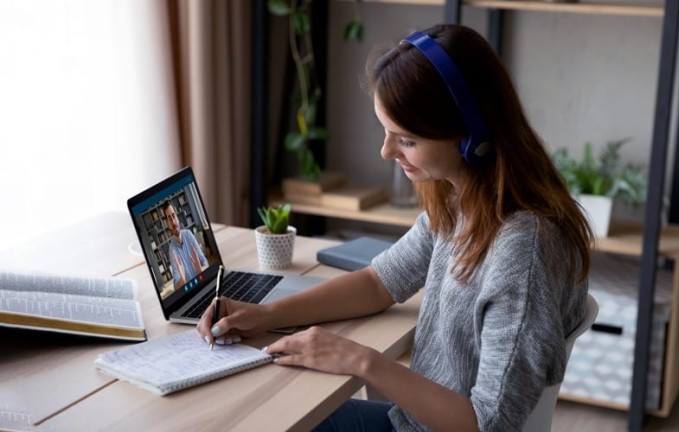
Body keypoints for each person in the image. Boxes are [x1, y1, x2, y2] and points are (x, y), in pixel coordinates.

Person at [197, 23, 592, 431]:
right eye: (387, 132)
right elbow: (379, 282)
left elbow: (487, 424)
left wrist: (361, 360)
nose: (386, 151)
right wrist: (265, 314)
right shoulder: (462, 200)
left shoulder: (522, 250)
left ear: (470, 133)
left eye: (405, 140)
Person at [163, 200, 208, 290]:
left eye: (173, 216)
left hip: (203, 283)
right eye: (169, 218)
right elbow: (176, 286)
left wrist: (200, 271)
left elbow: (205, 263)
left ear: (177, 217)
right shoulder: (172, 249)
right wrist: (182, 280)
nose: (173, 222)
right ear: (167, 224)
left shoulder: (189, 234)